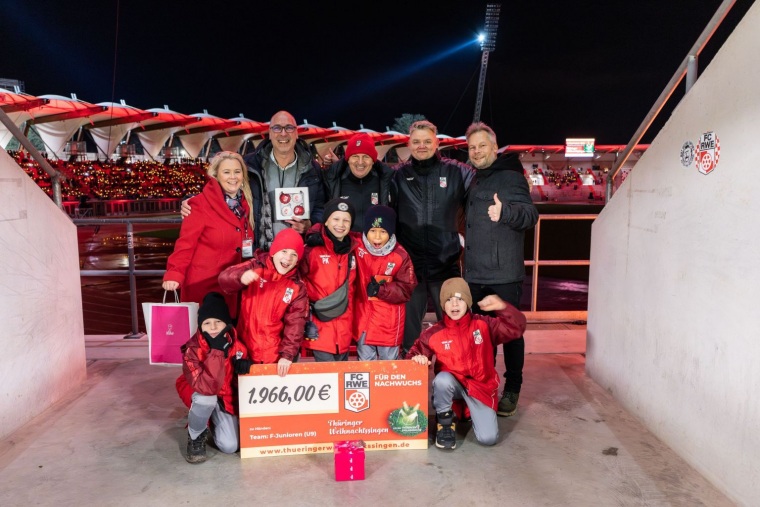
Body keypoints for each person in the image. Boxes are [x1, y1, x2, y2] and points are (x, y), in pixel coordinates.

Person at [463, 122, 539, 417]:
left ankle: (513, 387)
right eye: (472, 147)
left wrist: (504, 212)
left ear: (495, 148)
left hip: (503, 275)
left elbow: (530, 215)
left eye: (482, 146)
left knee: (510, 334)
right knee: (481, 335)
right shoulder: (475, 177)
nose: (477, 151)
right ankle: (486, 383)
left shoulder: (510, 176)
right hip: (475, 274)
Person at [407, 278, 526, 450]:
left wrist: (502, 307)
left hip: (480, 388)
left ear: (468, 302)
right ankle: (444, 424)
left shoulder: (484, 324)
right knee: (442, 380)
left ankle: (470, 412)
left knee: (488, 438)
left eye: (460, 299)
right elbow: (414, 353)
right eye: (449, 300)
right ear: (443, 305)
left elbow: (517, 328)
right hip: (452, 386)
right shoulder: (433, 333)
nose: (454, 304)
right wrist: (417, 359)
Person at [180, 111, 326, 250]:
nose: (283, 133)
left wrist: (310, 224)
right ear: (269, 133)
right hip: (259, 254)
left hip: (296, 253)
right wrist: (191, 200)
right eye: (277, 128)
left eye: (289, 128)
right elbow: (220, 188)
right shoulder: (250, 164)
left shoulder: (312, 168)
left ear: (296, 132)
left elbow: (321, 206)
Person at [391, 120, 474, 355]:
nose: (422, 146)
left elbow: (485, 182)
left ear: (437, 143)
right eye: (416, 142)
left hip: (445, 265)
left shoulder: (457, 171)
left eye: (427, 141)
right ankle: (410, 381)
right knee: (409, 336)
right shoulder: (397, 175)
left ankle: (452, 379)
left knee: (454, 331)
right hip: (409, 269)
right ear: (408, 143)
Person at [163, 151, 255, 319]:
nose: (233, 177)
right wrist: (175, 273)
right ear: (215, 175)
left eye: (237, 171)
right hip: (205, 287)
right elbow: (185, 244)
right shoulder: (199, 204)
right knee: (204, 341)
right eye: (226, 172)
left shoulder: (245, 205)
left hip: (233, 286)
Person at [218, 228, 308, 376]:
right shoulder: (255, 266)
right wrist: (240, 277)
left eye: (294, 254)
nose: (288, 258)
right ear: (274, 251)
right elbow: (224, 278)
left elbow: (296, 323)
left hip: (274, 358)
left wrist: (287, 355)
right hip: (245, 351)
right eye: (284, 251)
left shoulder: (297, 286)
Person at [175, 292, 250, 463]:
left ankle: (215, 422)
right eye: (207, 323)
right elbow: (207, 388)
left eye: (218, 322)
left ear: (227, 324)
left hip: (224, 398)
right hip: (200, 392)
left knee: (230, 446)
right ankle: (195, 436)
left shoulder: (238, 347)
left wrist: (245, 371)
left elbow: (237, 386)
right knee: (205, 400)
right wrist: (217, 352)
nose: (214, 327)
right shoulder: (192, 349)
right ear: (201, 326)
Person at [353, 206, 417, 361]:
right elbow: (334, 233)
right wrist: (314, 232)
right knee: (365, 369)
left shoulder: (400, 255)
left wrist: (381, 290)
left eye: (383, 232)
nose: (377, 237)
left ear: (391, 233)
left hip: (389, 324)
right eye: (373, 231)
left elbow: (406, 288)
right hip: (364, 321)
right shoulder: (356, 245)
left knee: (388, 370)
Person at [300, 198, 359, 362]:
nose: (341, 224)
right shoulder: (311, 250)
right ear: (325, 221)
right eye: (336, 219)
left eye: (346, 220)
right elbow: (297, 280)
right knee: (328, 378)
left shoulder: (353, 250)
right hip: (320, 326)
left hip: (345, 327)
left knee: (341, 381)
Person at [323, 132, 393, 232]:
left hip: (375, 245)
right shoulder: (333, 180)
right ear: (348, 159)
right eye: (355, 156)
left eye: (366, 156)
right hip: (346, 245)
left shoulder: (386, 180)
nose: (360, 162)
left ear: (373, 160)